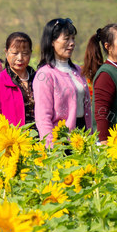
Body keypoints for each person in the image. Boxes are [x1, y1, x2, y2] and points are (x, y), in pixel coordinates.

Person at [33, 18, 92, 146]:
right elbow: (43, 117)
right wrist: (51, 147)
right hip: (61, 140)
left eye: (73, 39)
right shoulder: (45, 74)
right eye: (66, 39)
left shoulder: (77, 70)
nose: (72, 43)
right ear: (52, 42)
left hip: (82, 135)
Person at [0, 32, 36, 127]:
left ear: (30, 53)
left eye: (25, 53)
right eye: (15, 53)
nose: (20, 58)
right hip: (12, 139)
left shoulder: (38, 80)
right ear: (6, 52)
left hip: (43, 139)